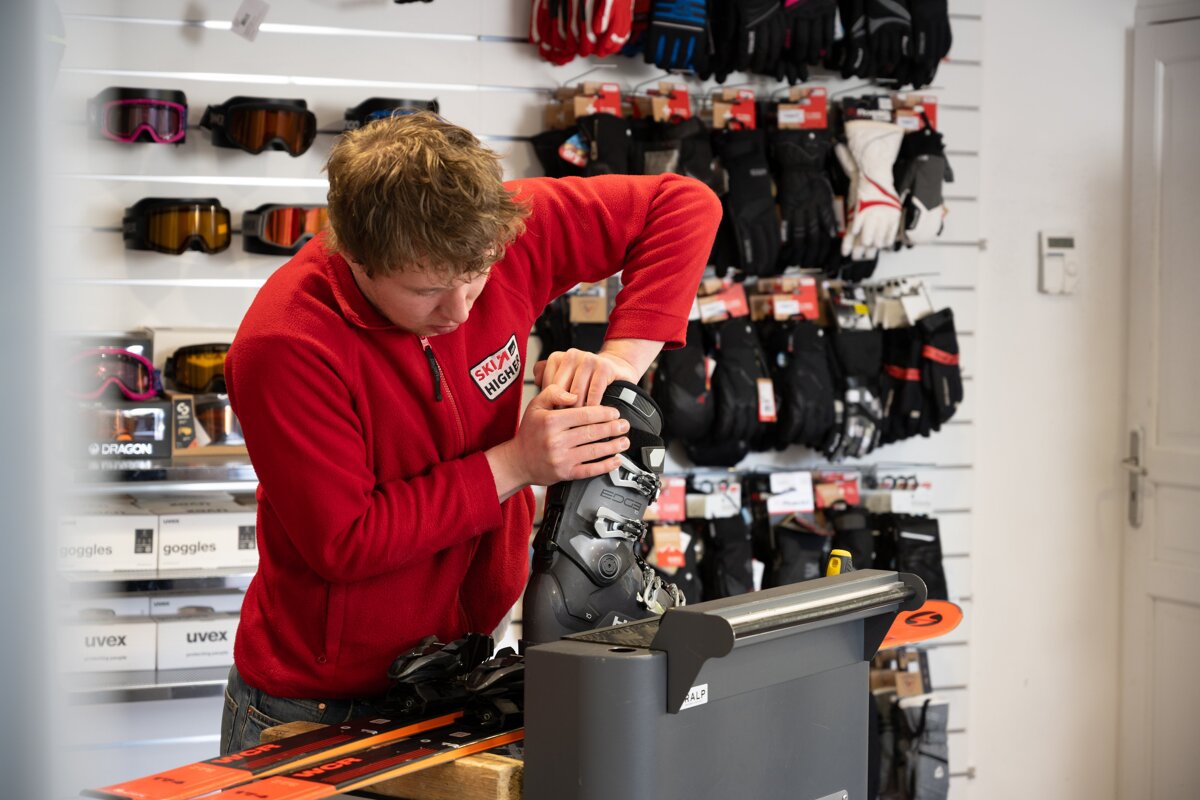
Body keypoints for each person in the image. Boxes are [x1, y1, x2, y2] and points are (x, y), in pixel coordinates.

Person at [219, 112, 721, 754]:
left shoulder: (488, 233)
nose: (459, 312)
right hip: (317, 708)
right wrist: (516, 464)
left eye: (476, 278)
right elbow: (344, 541)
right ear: (357, 256)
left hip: (456, 671)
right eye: (426, 291)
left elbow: (683, 204)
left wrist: (617, 366)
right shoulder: (285, 345)